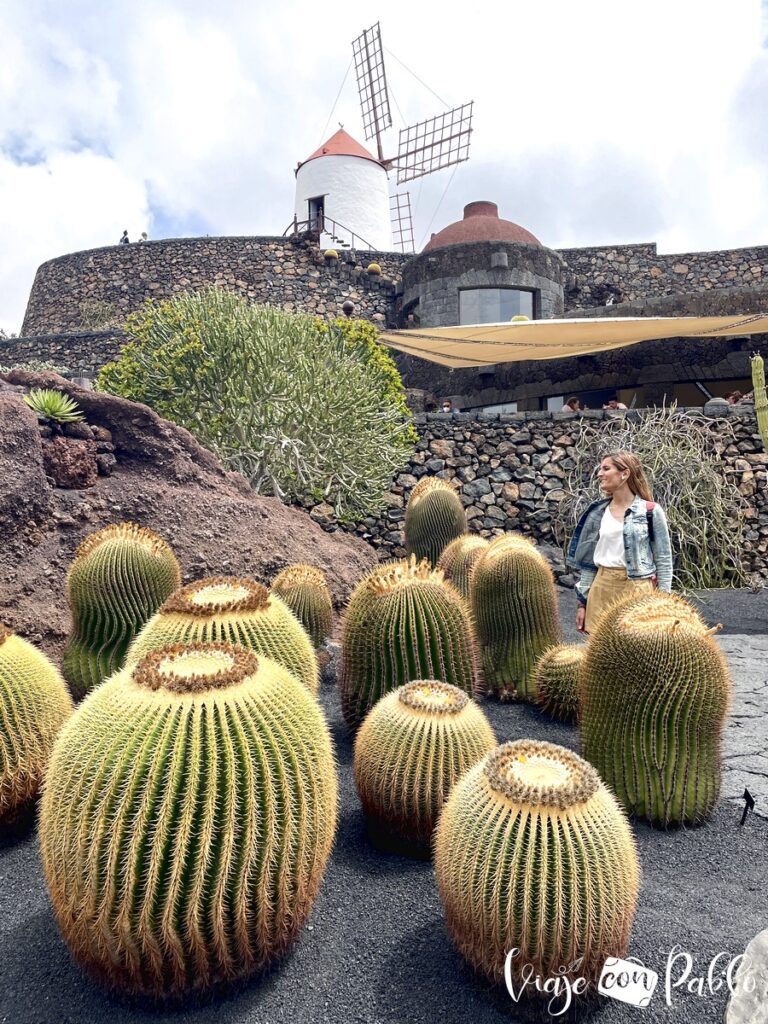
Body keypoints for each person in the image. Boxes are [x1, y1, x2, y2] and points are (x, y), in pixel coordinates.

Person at [566, 451, 673, 634]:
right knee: (600, 655)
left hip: (638, 589)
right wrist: (582, 603)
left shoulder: (650, 511)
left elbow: (663, 559)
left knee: (637, 651)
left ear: (624, 474)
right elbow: (588, 564)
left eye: (606, 469)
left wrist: (663, 602)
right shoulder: (596, 512)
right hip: (602, 588)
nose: (600, 474)